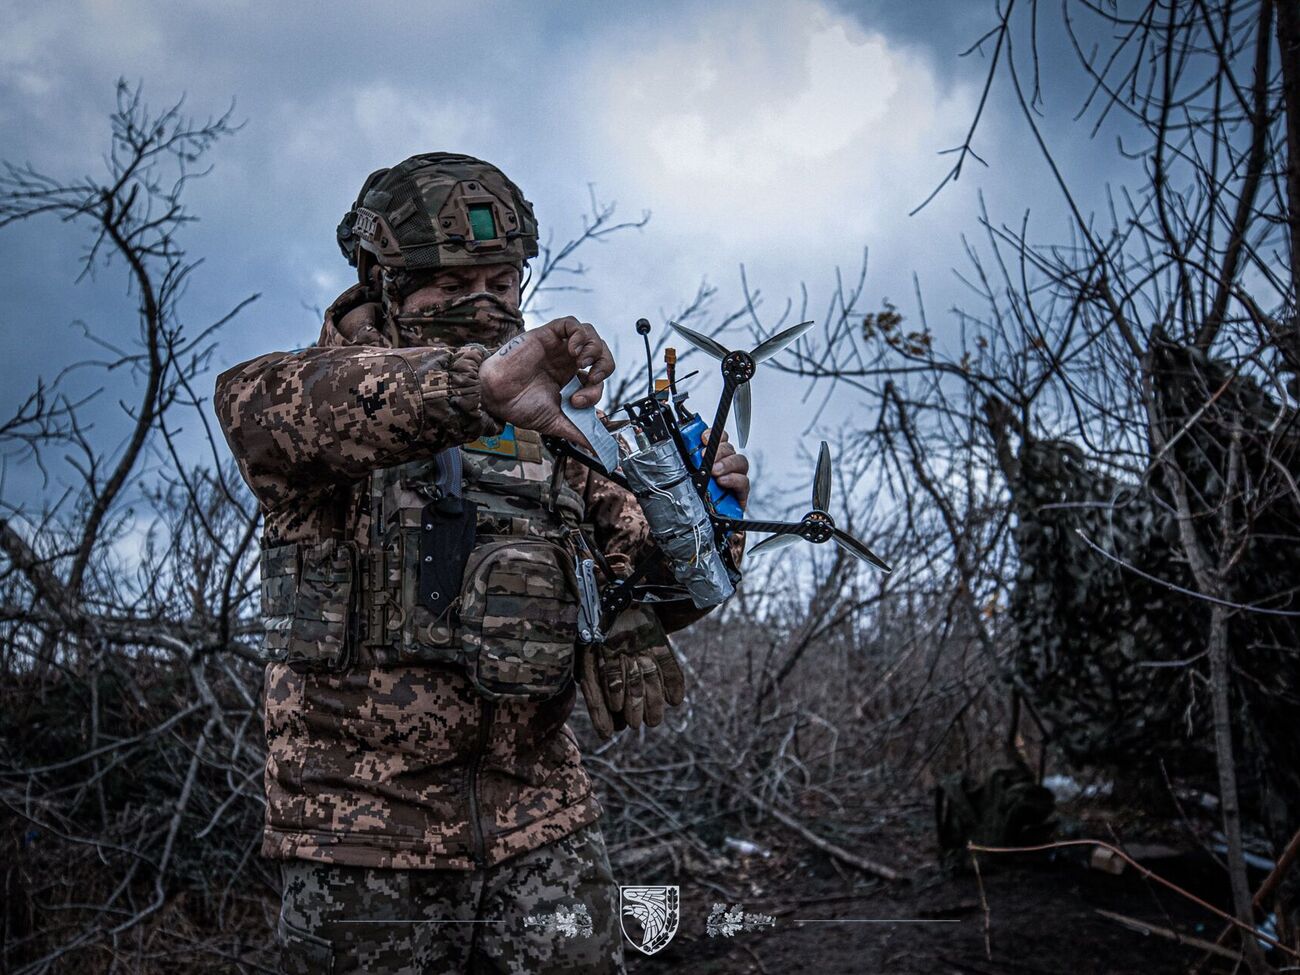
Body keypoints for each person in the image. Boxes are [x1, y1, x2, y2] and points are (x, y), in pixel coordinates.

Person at [214, 153, 749, 974]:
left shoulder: (555, 429)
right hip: (363, 835)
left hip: (542, 823)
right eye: (453, 282)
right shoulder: (310, 400)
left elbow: (644, 574)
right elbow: (260, 409)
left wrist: (706, 517)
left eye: (502, 282)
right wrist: (479, 387)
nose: (485, 302)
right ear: (383, 280)